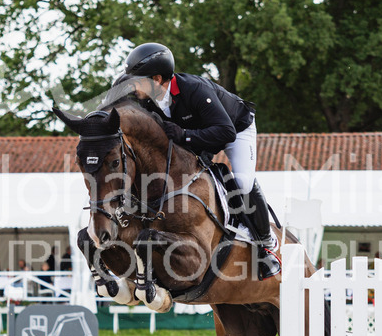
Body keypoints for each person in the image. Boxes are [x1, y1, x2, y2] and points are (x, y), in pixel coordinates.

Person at [112, 42, 280, 279]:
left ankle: (266, 243)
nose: (133, 87)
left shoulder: (194, 89)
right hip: (196, 136)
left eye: (137, 81)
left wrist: (184, 135)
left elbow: (226, 132)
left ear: (157, 79)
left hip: (235, 128)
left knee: (242, 181)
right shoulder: (147, 100)